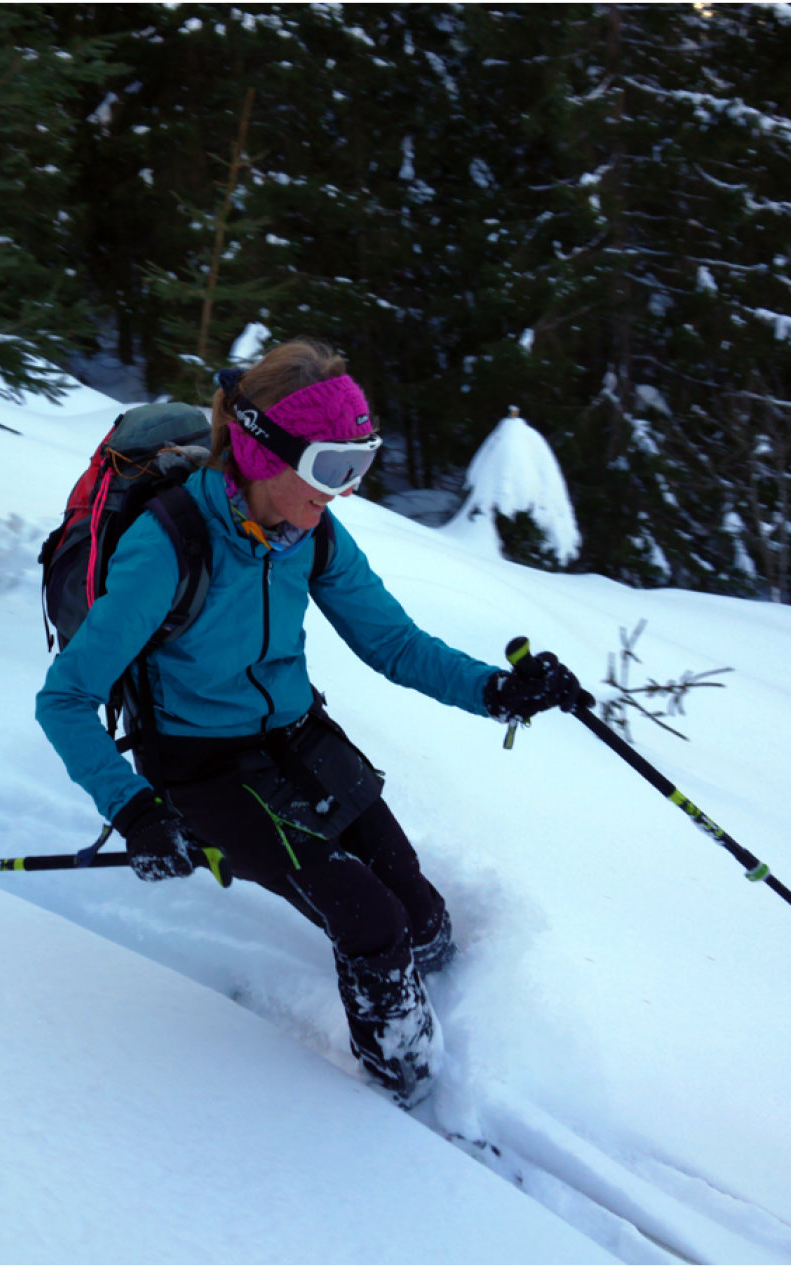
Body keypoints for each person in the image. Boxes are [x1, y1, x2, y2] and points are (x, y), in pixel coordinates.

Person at [35, 337, 592, 1107]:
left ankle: (453, 1026)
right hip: (202, 765)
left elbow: (394, 644)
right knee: (369, 918)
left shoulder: (312, 531)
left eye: (360, 463)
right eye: (332, 467)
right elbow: (63, 698)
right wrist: (134, 811)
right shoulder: (171, 545)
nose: (347, 488)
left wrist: (497, 691)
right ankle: (409, 1094)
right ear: (265, 453)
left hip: (297, 736)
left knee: (420, 911)